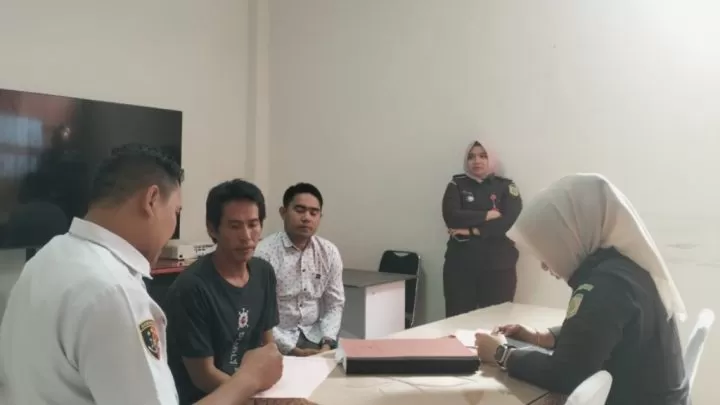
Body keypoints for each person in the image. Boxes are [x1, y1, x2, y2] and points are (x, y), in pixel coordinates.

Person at [0, 144, 282, 405]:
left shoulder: (48, 256)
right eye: (176, 212)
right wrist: (249, 379)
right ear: (152, 200)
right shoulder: (115, 292)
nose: (173, 225)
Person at [474, 173, 690, 405]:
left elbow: (565, 375)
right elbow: (600, 329)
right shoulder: (623, 269)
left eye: (548, 248)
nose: (545, 265)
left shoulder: (606, 284)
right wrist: (542, 337)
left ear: (569, 236)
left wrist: (502, 354)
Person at [164, 179, 280, 405]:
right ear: (212, 228)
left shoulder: (264, 272)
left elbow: (268, 347)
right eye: (235, 226)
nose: (246, 236)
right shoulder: (191, 288)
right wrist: (253, 399)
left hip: (252, 391)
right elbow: (203, 376)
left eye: (253, 224)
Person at [255, 183, 345, 356]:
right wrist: (292, 350)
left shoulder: (328, 252)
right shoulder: (264, 254)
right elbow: (257, 312)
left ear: (320, 217)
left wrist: (327, 343)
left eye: (313, 212)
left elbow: (334, 304)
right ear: (283, 212)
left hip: (316, 336)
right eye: (299, 210)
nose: (306, 218)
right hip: (275, 340)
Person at [441, 141, 522, 317]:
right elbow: (451, 216)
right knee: (457, 320)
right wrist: (487, 215)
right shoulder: (456, 185)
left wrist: (472, 231)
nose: (476, 161)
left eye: (483, 156)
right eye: (471, 157)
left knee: (497, 321)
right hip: (461, 265)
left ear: (491, 158)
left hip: (498, 266)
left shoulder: (506, 186)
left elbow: (509, 221)